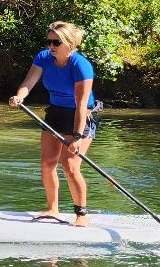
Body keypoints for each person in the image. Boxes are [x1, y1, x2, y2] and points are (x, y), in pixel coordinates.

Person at [7, 21, 98, 226]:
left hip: (79, 115)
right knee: (48, 163)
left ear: (69, 44)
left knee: (70, 165)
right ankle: (52, 209)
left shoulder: (81, 65)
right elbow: (28, 83)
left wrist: (76, 136)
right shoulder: (43, 58)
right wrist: (20, 96)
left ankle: (81, 215)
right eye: (49, 41)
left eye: (56, 42)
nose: (51, 46)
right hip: (55, 114)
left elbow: (81, 104)